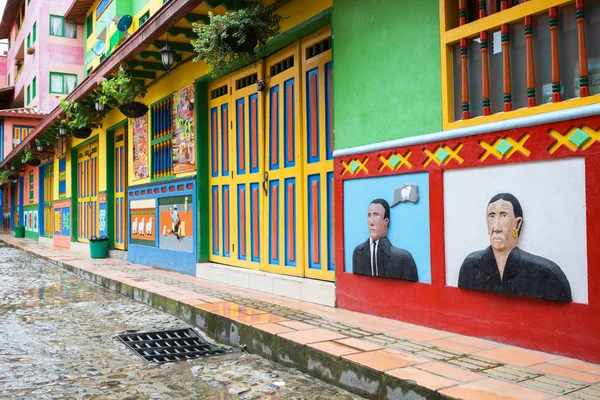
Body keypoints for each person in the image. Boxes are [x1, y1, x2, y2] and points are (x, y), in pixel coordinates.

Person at [458, 193, 572, 302]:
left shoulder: (545, 273)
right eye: (491, 216)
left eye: (504, 216)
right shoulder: (470, 266)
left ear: (517, 224)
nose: (496, 227)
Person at [352, 198, 418, 281]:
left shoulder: (403, 258)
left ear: (386, 221)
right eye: (369, 215)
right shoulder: (358, 252)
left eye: (376, 215)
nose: (371, 222)